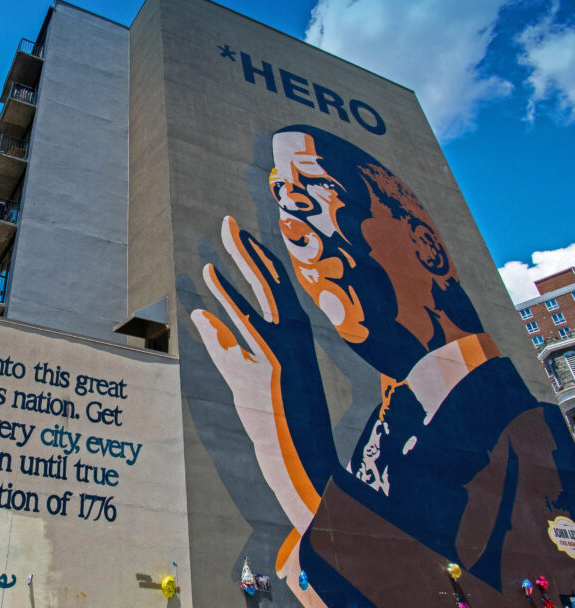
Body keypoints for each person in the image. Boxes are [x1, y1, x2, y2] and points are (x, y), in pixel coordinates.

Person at [191, 125, 575, 606]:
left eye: (318, 189)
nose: (293, 220)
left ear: (426, 248)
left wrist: (297, 457)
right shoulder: (379, 435)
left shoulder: (534, 439)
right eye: (282, 198)